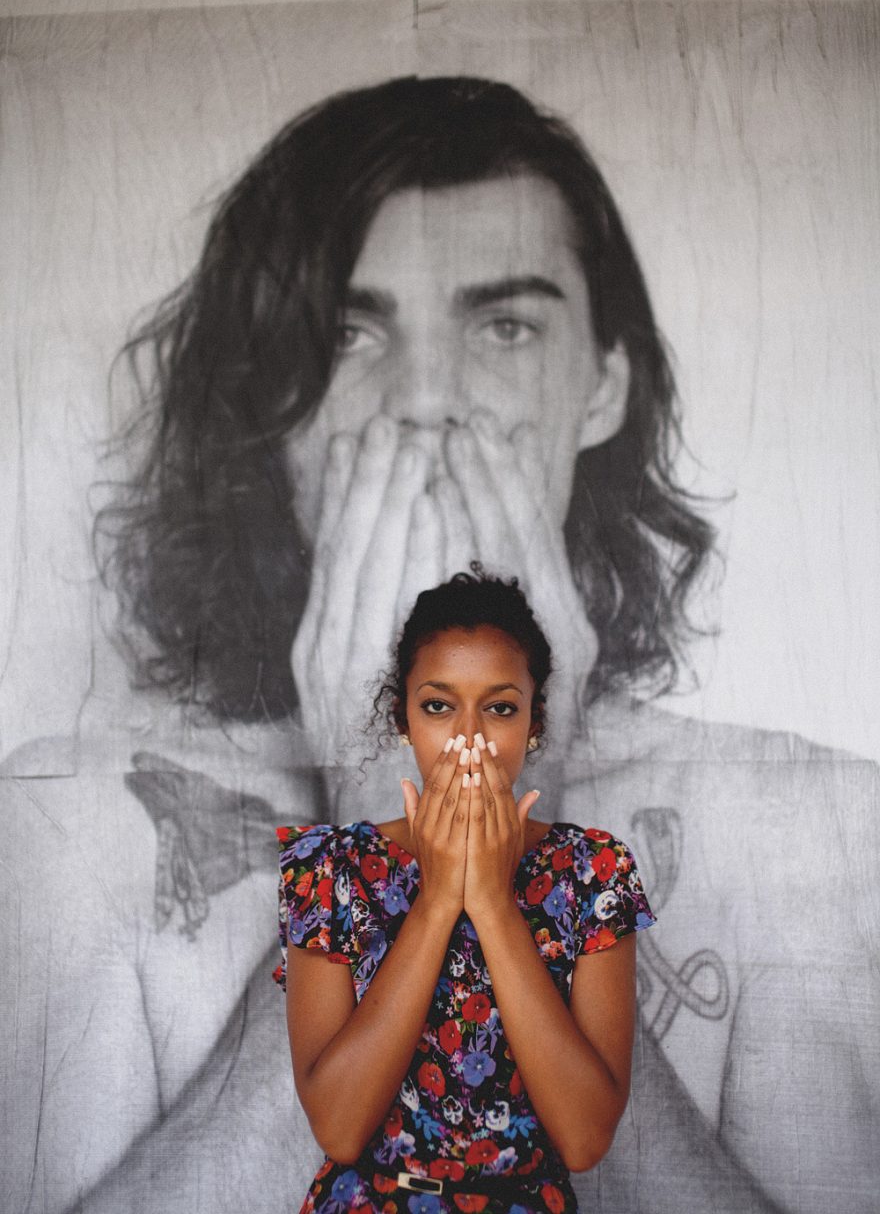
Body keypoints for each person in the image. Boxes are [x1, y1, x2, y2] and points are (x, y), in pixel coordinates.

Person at [0, 75, 876, 1214]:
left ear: (603, 386)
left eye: (504, 326)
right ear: (269, 405)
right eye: (347, 333)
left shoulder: (812, 830)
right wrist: (376, 855)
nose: (424, 400)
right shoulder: (66, 830)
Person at [278, 571, 656, 1214]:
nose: (469, 740)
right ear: (403, 718)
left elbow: (586, 1138)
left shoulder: (594, 872)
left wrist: (493, 902)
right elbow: (339, 1129)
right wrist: (435, 901)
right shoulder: (329, 870)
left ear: (534, 723)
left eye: (501, 708)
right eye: (438, 706)